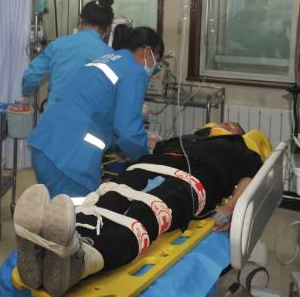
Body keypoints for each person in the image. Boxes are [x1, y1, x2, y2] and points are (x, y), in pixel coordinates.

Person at [14, 122, 264, 296]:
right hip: (144, 168)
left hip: (190, 180)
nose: (226, 124)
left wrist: (231, 206)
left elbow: (249, 179)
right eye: (224, 122)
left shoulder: (240, 148)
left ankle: (82, 263)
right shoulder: (187, 138)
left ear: (239, 135)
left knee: (146, 214)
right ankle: (54, 247)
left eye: (233, 125)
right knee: (104, 202)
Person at [28, 26, 164, 197]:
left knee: (52, 209)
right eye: (156, 61)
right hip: (70, 159)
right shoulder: (134, 71)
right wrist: (147, 162)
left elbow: (98, 115)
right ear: (147, 52)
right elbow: (128, 132)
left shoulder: (107, 60)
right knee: (77, 212)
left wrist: (128, 141)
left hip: (45, 144)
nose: (153, 68)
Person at [21, 0, 115, 109]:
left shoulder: (57, 45)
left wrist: (27, 94)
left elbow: (31, 75)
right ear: (108, 29)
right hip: (89, 117)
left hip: (56, 114)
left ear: (80, 20)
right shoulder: (110, 55)